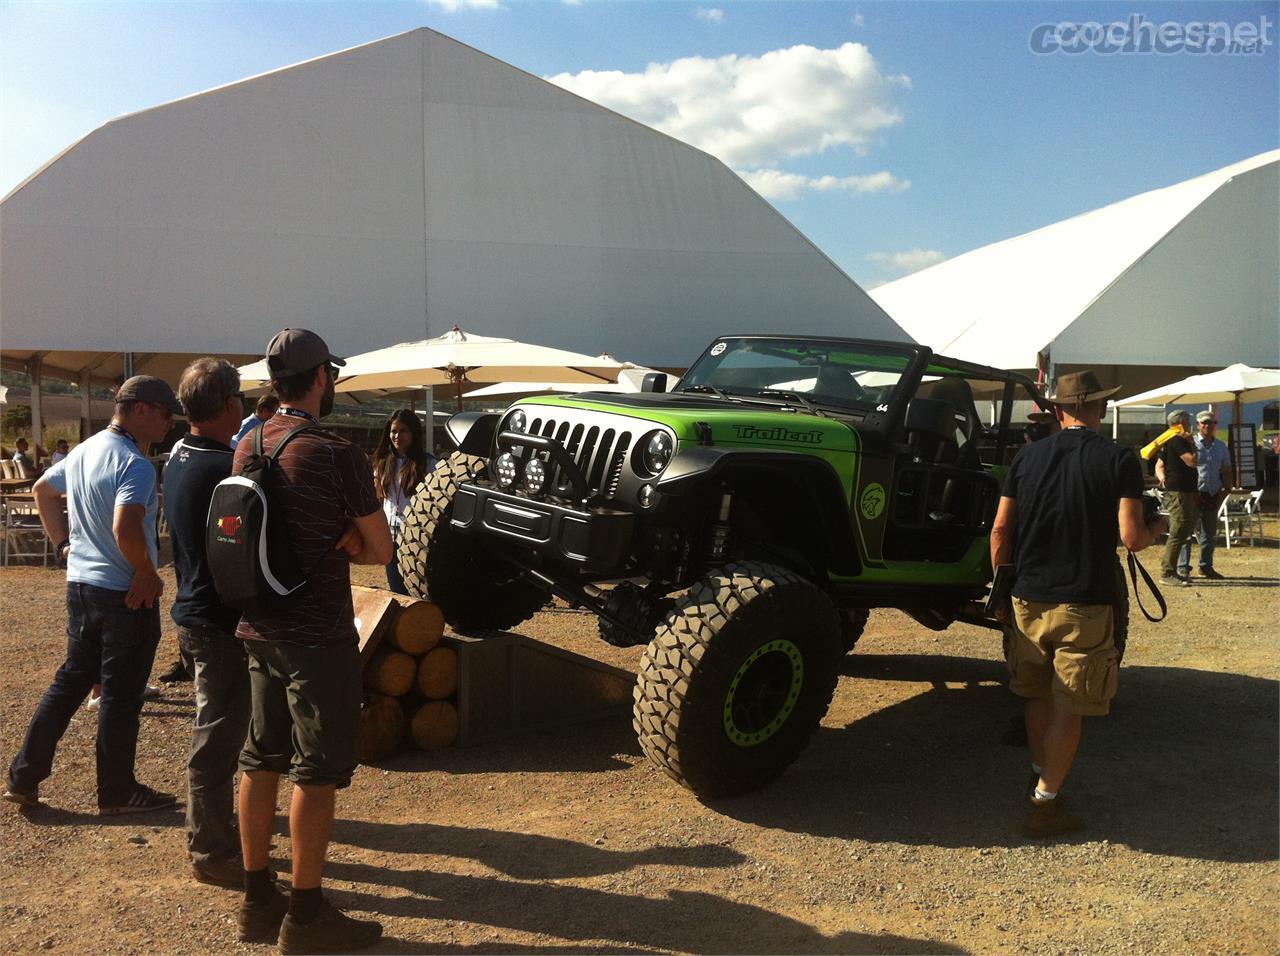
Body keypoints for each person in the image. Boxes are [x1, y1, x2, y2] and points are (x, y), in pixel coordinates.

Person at [234, 329, 392, 950]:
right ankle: (305, 916)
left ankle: (256, 901)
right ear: (322, 376)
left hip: (258, 626)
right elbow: (381, 548)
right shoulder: (335, 453)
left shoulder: (248, 442)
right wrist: (350, 540)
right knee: (317, 771)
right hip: (319, 634)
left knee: (259, 756)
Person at [990, 370, 1166, 839]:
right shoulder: (1118, 458)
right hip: (1085, 598)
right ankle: (1045, 804)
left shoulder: (1026, 457)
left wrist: (1000, 589)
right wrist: (1159, 530)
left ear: (1059, 409)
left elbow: (1001, 531)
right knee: (1071, 706)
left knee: (1037, 694)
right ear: (1094, 407)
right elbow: (1131, 537)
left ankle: (1039, 773)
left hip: (1028, 595)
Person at [3, 376, 182, 815]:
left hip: (82, 585)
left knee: (70, 682)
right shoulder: (135, 464)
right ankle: (117, 791)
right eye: (164, 412)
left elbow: (42, 490)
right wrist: (148, 573)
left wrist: (64, 545)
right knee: (121, 696)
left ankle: (24, 776)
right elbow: (125, 527)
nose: (169, 422)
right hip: (123, 592)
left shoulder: (85, 450)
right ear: (141, 409)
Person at [164, 358, 251, 888]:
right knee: (218, 737)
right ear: (227, 405)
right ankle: (212, 848)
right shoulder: (224, 468)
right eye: (237, 396)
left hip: (193, 609)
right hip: (218, 619)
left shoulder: (179, 456)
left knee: (217, 728)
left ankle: (214, 832)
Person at [371, 408, 435, 594]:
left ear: (414, 432)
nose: (397, 436)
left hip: (416, 538)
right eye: (394, 431)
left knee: (418, 592)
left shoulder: (428, 464)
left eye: (403, 431)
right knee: (397, 592)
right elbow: (379, 498)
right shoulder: (381, 463)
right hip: (390, 538)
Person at [1177, 410, 1233, 580]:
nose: (1208, 425)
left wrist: (1226, 489)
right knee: (1186, 532)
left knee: (1209, 533)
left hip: (1213, 493)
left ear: (1215, 425)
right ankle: (1182, 567)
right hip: (1193, 493)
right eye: (1204, 422)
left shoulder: (1221, 446)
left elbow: (1226, 469)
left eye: (1211, 422)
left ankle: (1206, 567)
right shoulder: (1190, 444)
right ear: (1198, 425)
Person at [1155, 410, 1199, 586]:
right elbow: (1192, 461)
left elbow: (1159, 465)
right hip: (1179, 491)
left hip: (1182, 490)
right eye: (1188, 420)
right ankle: (1167, 572)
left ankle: (1171, 569)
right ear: (1181, 422)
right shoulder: (1178, 440)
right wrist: (1192, 443)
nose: (1190, 423)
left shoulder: (1169, 441)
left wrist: (1163, 477)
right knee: (1179, 529)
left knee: (1183, 529)